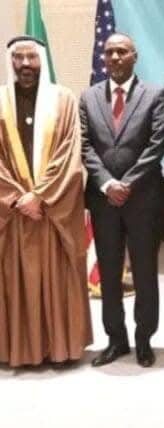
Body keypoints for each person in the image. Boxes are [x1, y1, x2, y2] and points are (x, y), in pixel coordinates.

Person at [0, 36, 92, 367]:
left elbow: (70, 153)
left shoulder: (63, 100)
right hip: (13, 213)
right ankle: (17, 349)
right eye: (19, 58)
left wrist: (40, 195)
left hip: (51, 211)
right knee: (15, 280)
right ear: (10, 62)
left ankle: (59, 347)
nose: (25, 64)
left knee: (57, 277)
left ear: (42, 60)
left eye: (32, 58)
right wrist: (15, 198)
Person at [80, 33, 164, 368]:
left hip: (143, 198)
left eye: (122, 51)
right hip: (103, 200)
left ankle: (144, 339)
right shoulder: (88, 96)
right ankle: (116, 340)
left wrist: (127, 183)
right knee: (109, 272)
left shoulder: (155, 95)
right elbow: (84, 144)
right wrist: (107, 184)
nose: (115, 57)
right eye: (109, 52)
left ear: (135, 56)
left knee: (145, 273)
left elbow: (158, 144)